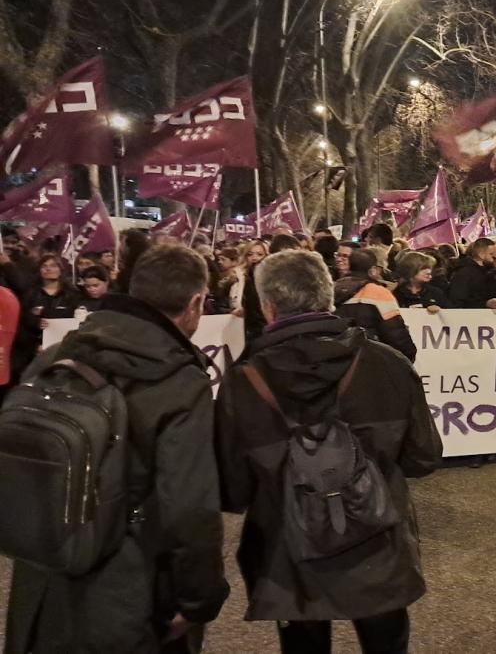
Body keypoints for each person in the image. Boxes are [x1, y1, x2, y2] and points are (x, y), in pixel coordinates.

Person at [215, 250, 441, 653]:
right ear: (329, 298)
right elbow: (423, 458)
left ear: (268, 307)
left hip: (289, 553)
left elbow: (233, 489)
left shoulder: (242, 383)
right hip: (377, 542)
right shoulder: (388, 364)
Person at [6, 245, 229, 653]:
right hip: (128, 592)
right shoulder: (179, 381)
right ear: (196, 302)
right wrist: (199, 600)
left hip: (42, 584)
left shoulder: (57, 356)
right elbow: (189, 506)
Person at [334, 247, 418, 361]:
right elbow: (395, 332)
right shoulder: (378, 292)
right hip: (368, 359)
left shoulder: (331, 288)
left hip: (336, 358)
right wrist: (409, 354)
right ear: (373, 269)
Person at [15, 255, 81, 376]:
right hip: (34, 350)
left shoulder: (72, 294)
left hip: (63, 349)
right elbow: (22, 322)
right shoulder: (30, 294)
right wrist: (36, 324)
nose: (48, 269)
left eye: (53, 265)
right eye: (44, 266)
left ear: (60, 269)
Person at [447, 238, 496, 308]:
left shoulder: (487, 272)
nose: (494, 258)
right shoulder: (464, 274)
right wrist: (485, 304)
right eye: (492, 254)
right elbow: (457, 302)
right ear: (481, 254)